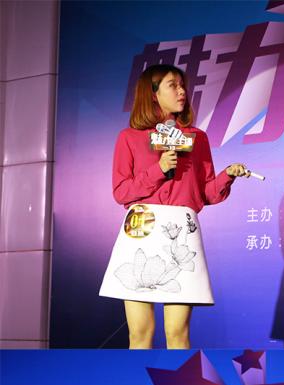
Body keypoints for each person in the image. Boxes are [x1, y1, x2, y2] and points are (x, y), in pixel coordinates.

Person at [99, 64, 251, 349]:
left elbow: (206, 194)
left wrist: (227, 175)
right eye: (173, 85)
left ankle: (180, 378)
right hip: (141, 228)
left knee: (177, 331)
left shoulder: (197, 138)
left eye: (182, 85)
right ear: (153, 94)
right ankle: (136, 378)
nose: (182, 91)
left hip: (181, 232)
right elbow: (121, 192)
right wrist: (158, 169)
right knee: (140, 332)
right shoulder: (129, 137)